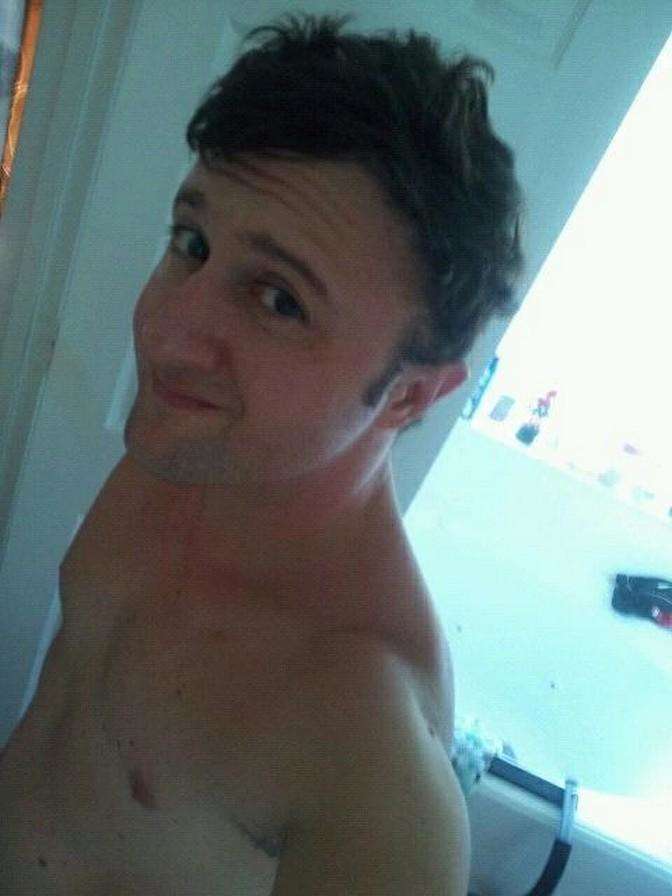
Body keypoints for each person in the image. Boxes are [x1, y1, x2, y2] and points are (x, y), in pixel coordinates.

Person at [0, 13, 522, 895]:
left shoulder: (374, 764)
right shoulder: (189, 452)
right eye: (192, 245)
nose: (166, 333)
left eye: (278, 300)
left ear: (410, 395)